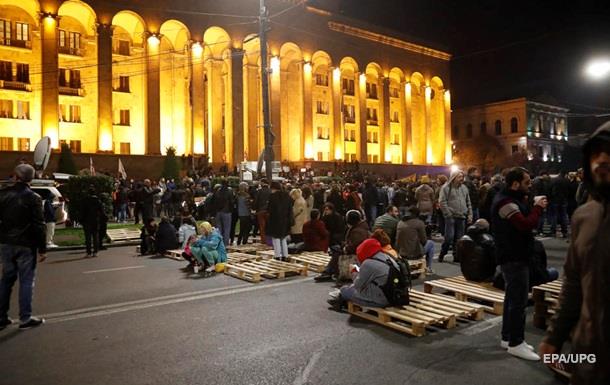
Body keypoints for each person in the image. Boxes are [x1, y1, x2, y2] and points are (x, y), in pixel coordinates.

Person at [539, 122, 610, 384]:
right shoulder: (584, 215)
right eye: (596, 152)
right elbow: (573, 283)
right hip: (588, 353)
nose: (602, 159)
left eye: (609, 151)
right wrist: (554, 338)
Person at [491, 167, 547, 360]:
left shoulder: (509, 198)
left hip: (513, 255)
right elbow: (524, 224)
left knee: (512, 298)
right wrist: (538, 208)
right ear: (515, 184)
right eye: (526, 183)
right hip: (514, 256)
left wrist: (531, 205)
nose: (529, 186)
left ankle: (507, 337)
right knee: (518, 301)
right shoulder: (505, 202)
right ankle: (516, 342)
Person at [0, 164, 46, 330]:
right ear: (30, 178)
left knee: (6, 280)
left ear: (15, 176)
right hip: (26, 244)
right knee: (26, 281)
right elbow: (39, 225)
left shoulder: (3, 195)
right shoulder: (33, 197)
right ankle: (25, 318)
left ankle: (1, 317)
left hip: (6, 242)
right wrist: (42, 248)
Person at [327, 238, 397, 311]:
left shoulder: (369, 263)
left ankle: (340, 301)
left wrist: (353, 271)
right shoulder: (388, 258)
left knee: (344, 290)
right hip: (395, 296)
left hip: (382, 300)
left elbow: (358, 285)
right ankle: (340, 301)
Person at [315, 210, 368, 282]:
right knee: (335, 249)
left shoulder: (358, 231)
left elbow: (354, 245)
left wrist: (345, 248)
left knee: (336, 253)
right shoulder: (360, 228)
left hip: (355, 252)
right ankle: (330, 271)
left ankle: (328, 272)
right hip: (355, 250)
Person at [439, 169, 473, 262]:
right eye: (459, 177)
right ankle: (443, 252)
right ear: (454, 177)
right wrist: (448, 214)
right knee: (449, 237)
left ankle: (456, 255)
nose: (462, 179)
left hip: (462, 216)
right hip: (451, 217)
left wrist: (470, 214)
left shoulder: (464, 188)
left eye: (462, 176)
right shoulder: (446, 188)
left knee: (459, 239)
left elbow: (468, 202)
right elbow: (442, 202)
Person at [267, 182, 292, 260]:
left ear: (273, 188)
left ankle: (277, 255)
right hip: (285, 219)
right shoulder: (287, 195)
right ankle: (285, 255)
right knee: (283, 238)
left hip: (275, 219)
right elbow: (290, 208)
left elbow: (269, 209)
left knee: (276, 238)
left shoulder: (272, 196)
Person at [81, 186, 105, 258]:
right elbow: (102, 211)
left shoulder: (85, 200)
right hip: (95, 220)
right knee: (95, 236)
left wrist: (82, 219)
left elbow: (83, 211)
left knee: (88, 237)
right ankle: (95, 252)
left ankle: (88, 252)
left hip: (87, 221)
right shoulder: (98, 201)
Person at [212, 180, 234, 246]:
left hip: (218, 212)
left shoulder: (218, 191)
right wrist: (231, 210)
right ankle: (225, 244)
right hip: (226, 212)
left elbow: (214, 201)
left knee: (219, 229)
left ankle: (219, 243)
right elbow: (231, 202)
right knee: (227, 229)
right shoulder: (229, 191)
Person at [549, 170, 570, 238]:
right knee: (563, 215)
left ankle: (553, 231)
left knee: (554, 215)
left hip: (555, 199)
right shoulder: (567, 181)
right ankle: (564, 231)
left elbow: (550, 189)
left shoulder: (554, 180)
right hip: (563, 200)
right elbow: (568, 191)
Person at [253, 179, 271, 244]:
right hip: (269, 211)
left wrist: (254, 208)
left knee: (262, 227)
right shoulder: (270, 191)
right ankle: (269, 240)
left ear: (263, 183)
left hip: (260, 211)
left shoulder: (259, 191)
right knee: (269, 226)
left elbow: (256, 201)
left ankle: (263, 241)